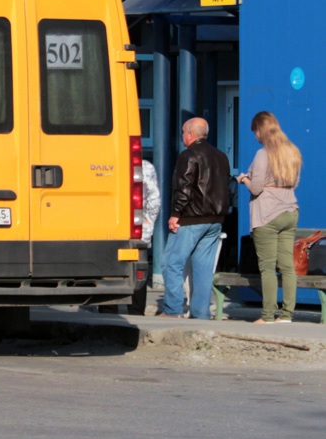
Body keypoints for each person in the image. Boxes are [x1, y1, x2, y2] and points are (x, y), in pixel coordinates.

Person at [162, 117, 231, 320]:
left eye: (184, 132)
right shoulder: (221, 156)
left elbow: (183, 188)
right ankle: (201, 313)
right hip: (215, 220)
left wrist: (175, 214)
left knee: (172, 263)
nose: (182, 136)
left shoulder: (188, 155)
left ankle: (173, 309)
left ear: (191, 134)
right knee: (203, 268)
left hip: (191, 218)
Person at [236, 111, 301, 324]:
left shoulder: (263, 154)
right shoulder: (293, 152)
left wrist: (245, 178)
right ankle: (287, 315)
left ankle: (267, 316)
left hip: (267, 214)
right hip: (290, 210)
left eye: (255, 130)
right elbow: (295, 183)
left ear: (260, 129)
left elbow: (256, 188)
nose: (254, 135)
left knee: (267, 267)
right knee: (287, 267)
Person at [129, 159, 161, 316]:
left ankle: (108, 310)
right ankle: (136, 311)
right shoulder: (145, 166)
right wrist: (148, 222)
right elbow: (154, 196)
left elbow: (154, 197)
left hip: (132, 227)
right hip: (138, 228)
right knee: (138, 269)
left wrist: (148, 221)